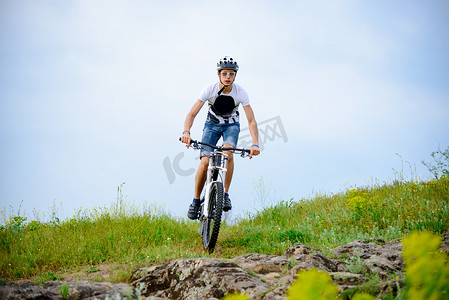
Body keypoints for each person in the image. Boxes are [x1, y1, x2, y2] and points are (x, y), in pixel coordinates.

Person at [181, 56, 260, 220]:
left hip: (231, 126)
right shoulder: (209, 90)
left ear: (235, 76)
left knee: (228, 152)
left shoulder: (241, 93)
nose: (228, 77)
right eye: (224, 73)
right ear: (218, 75)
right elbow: (191, 114)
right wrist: (186, 132)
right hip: (211, 126)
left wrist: (255, 143)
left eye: (231, 74)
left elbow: (251, 121)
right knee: (204, 162)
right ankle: (196, 201)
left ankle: (225, 194)